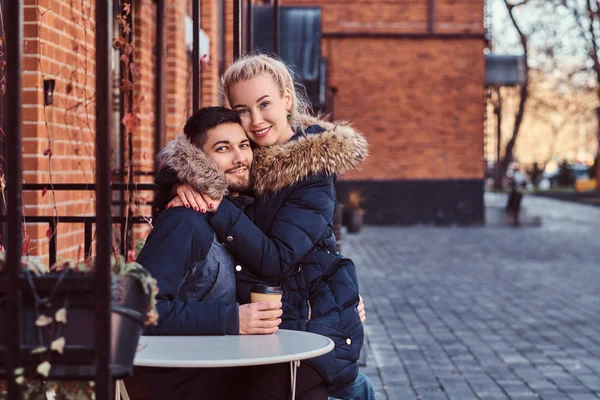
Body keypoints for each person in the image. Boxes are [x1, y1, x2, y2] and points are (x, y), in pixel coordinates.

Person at [159, 54, 374, 399]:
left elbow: (277, 258)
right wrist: (181, 182)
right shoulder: (248, 155)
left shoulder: (311, 170)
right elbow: (196, 151)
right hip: (272, 324)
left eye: (264, 104)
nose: (255, 120)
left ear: (286, 99)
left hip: (314, 320)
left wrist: (215, 201)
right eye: (242, 109)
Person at [136, 107, 283, 400]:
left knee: (357, 388)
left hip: (227, 371)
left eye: (244, 145)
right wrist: (231, 319)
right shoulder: (183, 222)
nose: (241, 158)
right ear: (197, 159)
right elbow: (141, 311)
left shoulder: (236, 214)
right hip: (186, 384)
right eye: (223, 148)